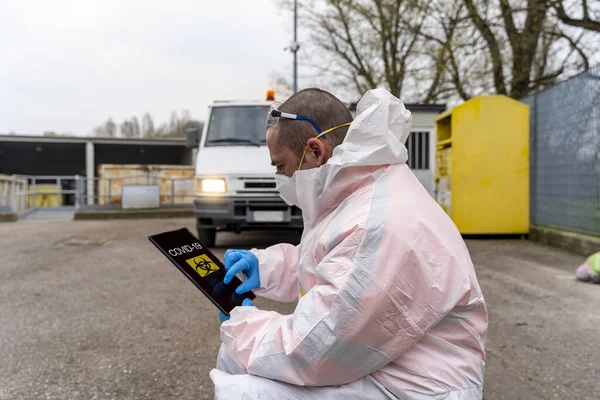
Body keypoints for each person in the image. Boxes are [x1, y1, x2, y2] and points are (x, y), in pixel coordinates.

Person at [209, 88, 488, 399]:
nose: (280, 177)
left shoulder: (378, 221)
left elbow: (314, 349)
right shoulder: (365, 187)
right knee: (239, 361)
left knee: (244, 391)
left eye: (280, 166)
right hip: (393, 367)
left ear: (315, 150)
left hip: (417, 389)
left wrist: (243, 325)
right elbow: (333, 260)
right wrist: (266, 267)